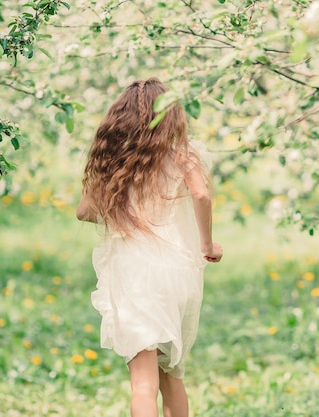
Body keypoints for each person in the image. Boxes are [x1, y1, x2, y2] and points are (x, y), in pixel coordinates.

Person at [76, 77, 223, 417]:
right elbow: (201, 194)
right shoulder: (184, 155)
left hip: (134, 274)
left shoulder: (113, 160)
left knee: (143, 383)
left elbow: (85, 211)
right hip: (178, 274)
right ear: (171, 117)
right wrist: (207, 244)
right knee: (172, 372)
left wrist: (123, 218)